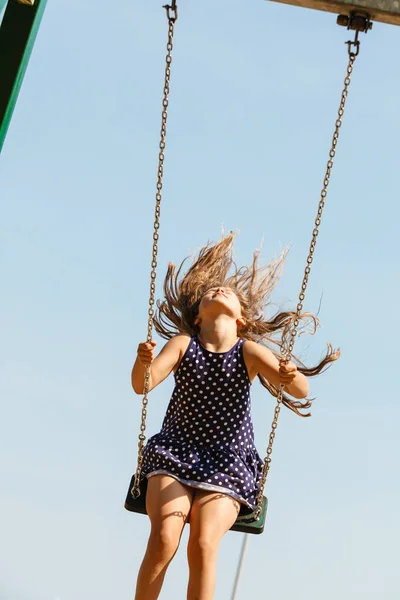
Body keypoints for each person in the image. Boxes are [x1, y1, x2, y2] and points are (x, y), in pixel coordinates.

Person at [130, 233, 339, 600]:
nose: (220, 290)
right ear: (198, 316)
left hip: (227, 466)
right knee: (165, 538)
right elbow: (142, 385)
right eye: (212, 291)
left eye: (228, 292)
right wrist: (142, 361)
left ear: (241, 320)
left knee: (203, 545)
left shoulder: (249, 353)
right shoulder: (183, 344)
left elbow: (301, 390)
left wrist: (290, 377)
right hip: (175, 455)